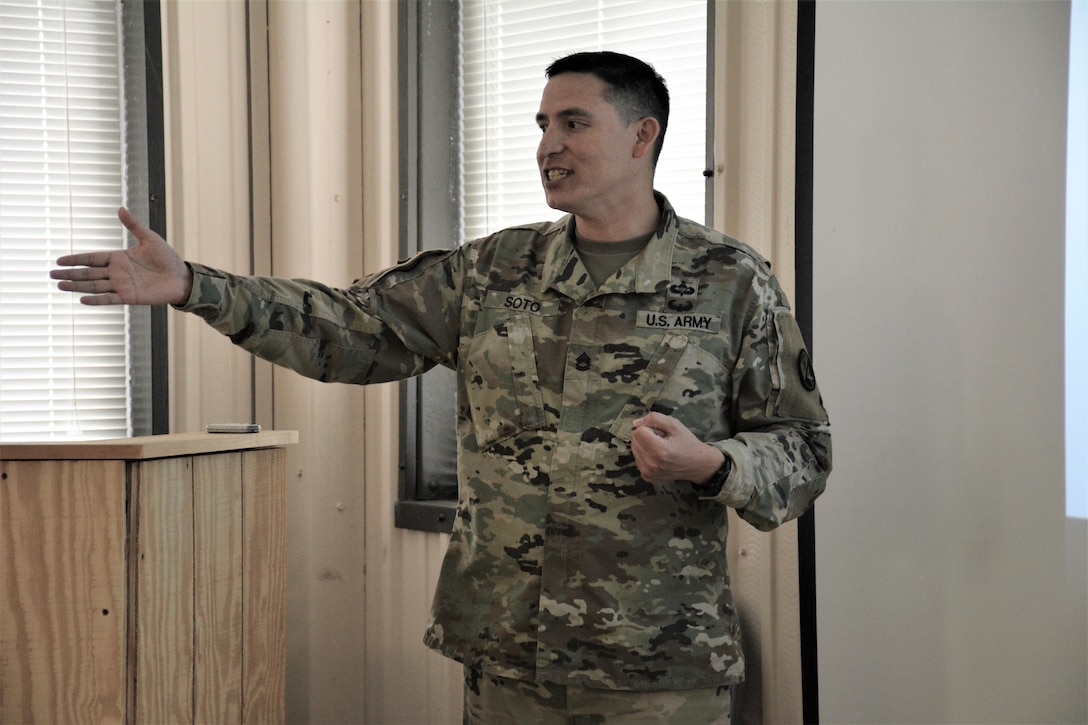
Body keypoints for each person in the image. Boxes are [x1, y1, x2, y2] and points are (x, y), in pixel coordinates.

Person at [52, 51, 831, 724]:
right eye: (540, 124)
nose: (547, 145)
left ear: (642, 134)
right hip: (507, 655)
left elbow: (801, 446)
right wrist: (196, 286)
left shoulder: (730, 281)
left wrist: (715, 465)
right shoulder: (492, 270)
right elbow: (347, 328)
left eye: (572, 123)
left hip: (660, 662)